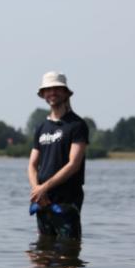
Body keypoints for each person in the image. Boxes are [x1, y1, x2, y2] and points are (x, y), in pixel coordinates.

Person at [27, 72, 89, 239]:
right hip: (43, 201)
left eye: (57, 89)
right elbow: (32, 164)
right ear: (43, 95)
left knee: (68, 254)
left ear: (66, 93)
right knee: (43, 253)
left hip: (67, 200)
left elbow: (74, 164)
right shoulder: (41, 127)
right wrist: (37, 191)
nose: (52, 92)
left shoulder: (77, 125)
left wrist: (44, 188)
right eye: (48, 89)